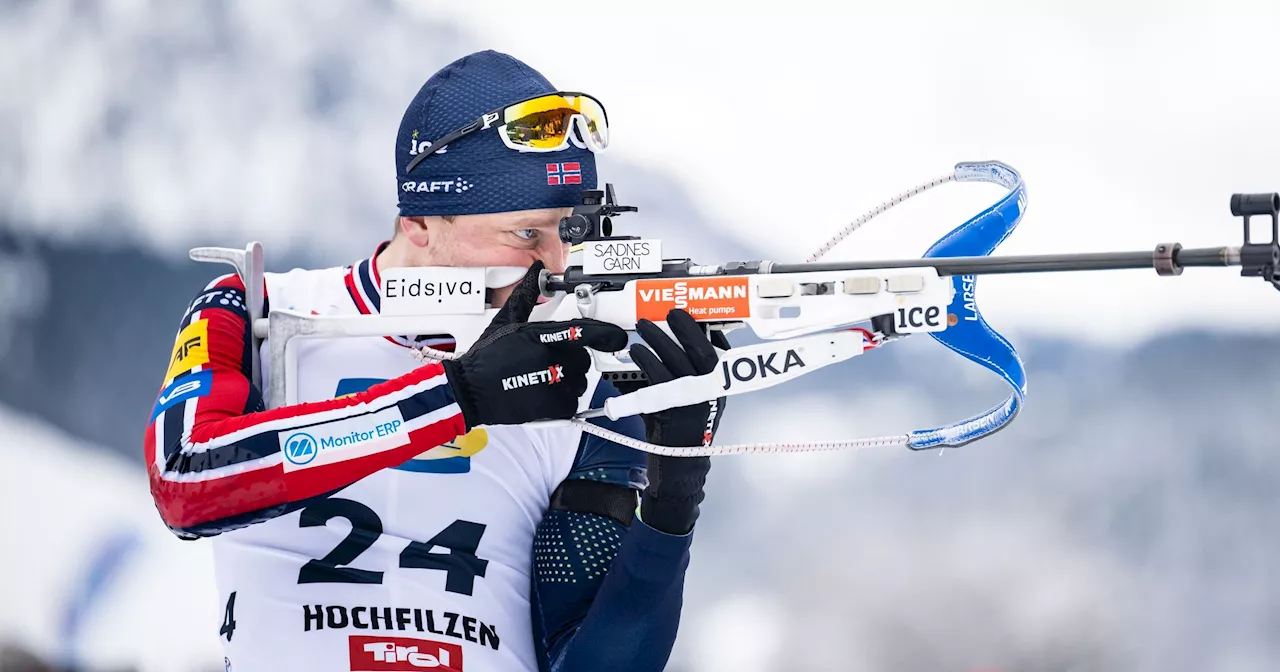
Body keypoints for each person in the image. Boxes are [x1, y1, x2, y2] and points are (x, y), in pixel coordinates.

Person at [142, 50, 726, 672]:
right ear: (420, 221)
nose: (557, 268)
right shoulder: (262, 307)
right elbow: (186, 481)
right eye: (527, 235)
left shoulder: (582, 383)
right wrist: (457, 398)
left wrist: (670, 510)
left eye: (572, 232)